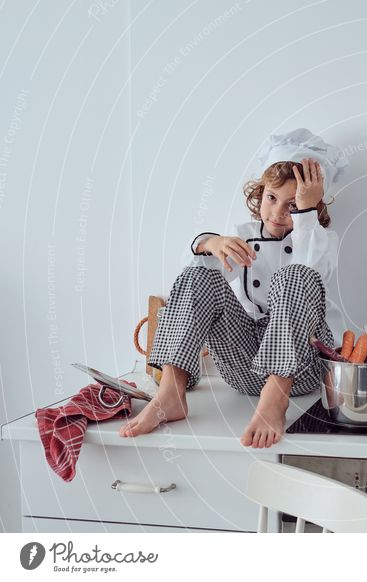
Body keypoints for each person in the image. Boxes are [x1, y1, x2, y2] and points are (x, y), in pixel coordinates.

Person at [118, 128, 348, 448]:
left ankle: (274, 400)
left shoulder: (321, 240)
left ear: (312, 207)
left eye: (293, 206)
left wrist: (307, 215)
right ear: (260, 192)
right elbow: (190, 274)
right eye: (272, 198)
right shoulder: (242, 235)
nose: (278, 213)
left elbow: (311, 272)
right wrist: (210, 242)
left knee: (295, 276)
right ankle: (170, 395)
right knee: (199, 273)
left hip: (302, 370)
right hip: (243, 368)